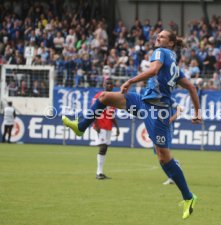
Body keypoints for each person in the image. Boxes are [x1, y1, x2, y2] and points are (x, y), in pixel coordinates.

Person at [62, 30, 201, 219]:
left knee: (163, 157)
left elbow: (153, 70)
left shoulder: (161, 52)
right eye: (157, 36)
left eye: (162, 37)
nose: (157, 38)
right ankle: (81, 126)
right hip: (144, 102)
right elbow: (191, 87)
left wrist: (130, 80)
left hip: (157, 110)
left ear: (170, 43)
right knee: (104, 97)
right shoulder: (174, 64)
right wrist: (198, 112)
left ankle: (188, 197)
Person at [92, 78, 120, 180]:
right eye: (107, 84)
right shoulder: (98, 96)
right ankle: (98, 173)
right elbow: (93, 111)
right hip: (100, 125)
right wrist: (96, 124)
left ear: (113, 86)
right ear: (103, 85)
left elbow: (112, 114)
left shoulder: (114, 99)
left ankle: (101, 172)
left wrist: (117, 127)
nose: (109, 85)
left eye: (111, 84)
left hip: (108, 126)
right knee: (102, 147)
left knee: (105, 148)